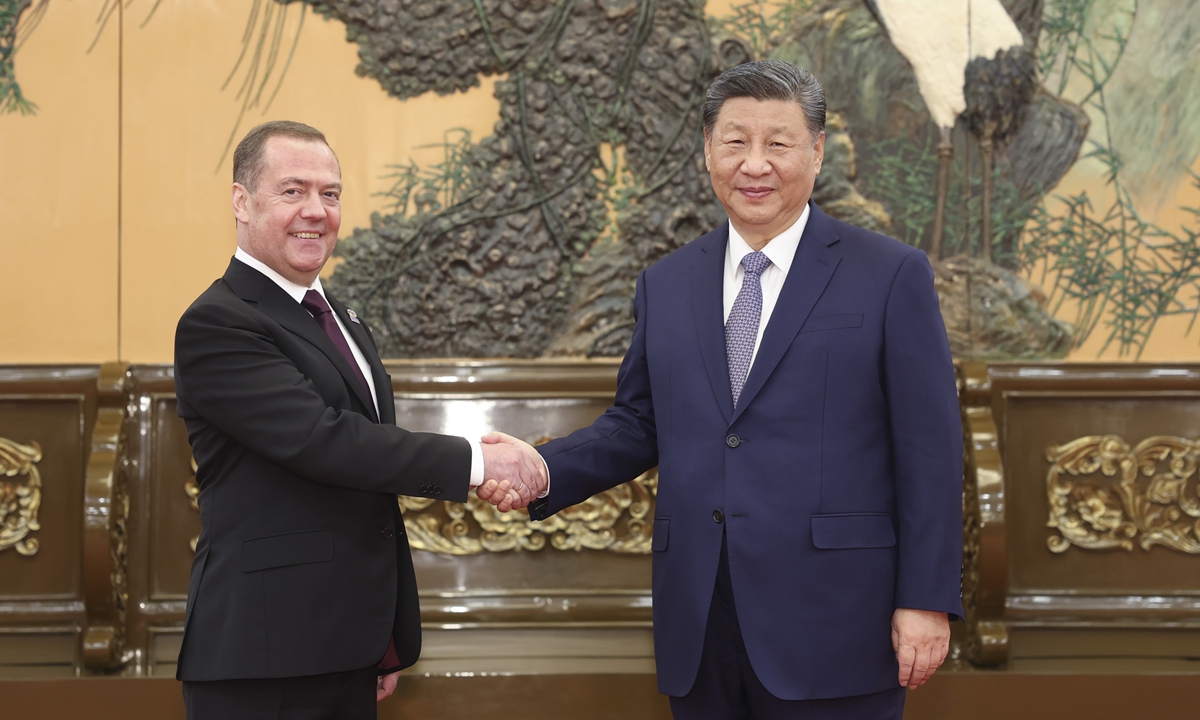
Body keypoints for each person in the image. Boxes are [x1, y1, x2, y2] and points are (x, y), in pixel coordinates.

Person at [482, 60, 963, 719]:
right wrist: (541, 467)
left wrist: (926, 599)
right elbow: (640, 422)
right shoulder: (668, 282)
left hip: (838, 621)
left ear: (817, 152)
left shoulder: (890, 274)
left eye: (779, 143)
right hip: (702, 619)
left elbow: (930, 451)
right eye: (736, 142)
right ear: (708, 151)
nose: (755, 164)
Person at [174, 120, 546, 720]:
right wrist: (478, 463)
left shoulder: (339, 316)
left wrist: (380, 641)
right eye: (293, 191)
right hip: (264, 658)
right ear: (242, 202)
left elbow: (360, 482)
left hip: (341, 646)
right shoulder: (219, 322)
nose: (316, 211)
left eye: (331, 194)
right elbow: (324, 443)